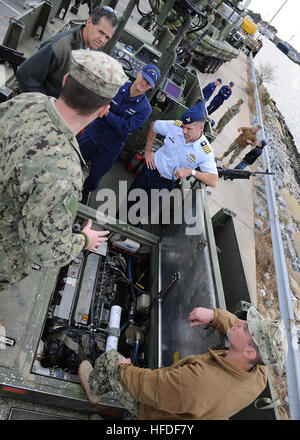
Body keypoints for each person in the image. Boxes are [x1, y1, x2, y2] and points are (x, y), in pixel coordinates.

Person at [0, 49, 128, 292]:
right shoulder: (64, 174)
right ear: (103, 111)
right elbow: (45, 251)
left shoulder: (28, 101)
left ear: (66, 81)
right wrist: (83, 240)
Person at [78, 305, 287, 420]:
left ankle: (94, 387)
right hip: (186, 411)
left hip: (159, 408)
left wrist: (123, 368)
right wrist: (214, 316)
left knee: (110, 359)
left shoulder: (201, 382)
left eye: (245, 327)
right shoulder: (258, 373)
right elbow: (235, 325)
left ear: (250, 351)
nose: (239, 322)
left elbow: (149, 387)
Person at [123, 100, 218, 223]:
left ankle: (125, 230)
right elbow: (153, 125)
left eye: (189, 129)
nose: (184, 131)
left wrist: (191, 172)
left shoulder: (205, 151)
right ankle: (114, 222)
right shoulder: (175, 126)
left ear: (201, 127)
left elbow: (214, 181)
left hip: (165, 184)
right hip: (150, 170)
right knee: (130, 199)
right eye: (183, 127)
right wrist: (148, 151)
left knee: (144, 211)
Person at [78, 64, 161, 198]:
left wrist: (107, 114)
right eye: (144, 78)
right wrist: (110, 116)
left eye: (148, 83)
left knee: (96, 174)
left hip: (112, 144)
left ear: (151, 87)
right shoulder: (117, 85)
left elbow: (126, 127)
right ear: (139, 73)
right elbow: (100, 101)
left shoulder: (145, 109)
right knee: (77, 159)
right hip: (95, 131)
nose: (144, 83)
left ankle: (85, 192)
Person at [16, 6, 118, 98]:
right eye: (100, 32)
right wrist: (41, 108)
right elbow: (25, 74)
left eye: (107, 37)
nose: (102, 40)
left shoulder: (94, 48)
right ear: (89, 22)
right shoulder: (60, 46)